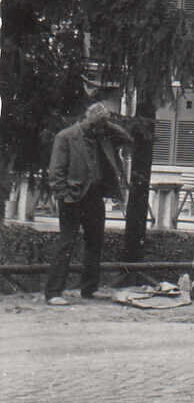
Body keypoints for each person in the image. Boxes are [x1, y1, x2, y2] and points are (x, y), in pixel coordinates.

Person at [45, 102, 133, 306]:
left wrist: (107, 123)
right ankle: (53, 292)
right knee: (66, 244)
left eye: (104, 125)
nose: (101, 128)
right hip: (72, 198)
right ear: (90, 122)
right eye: (99, 124)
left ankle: (89, 289)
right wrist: (64, 195)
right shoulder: (66, 137)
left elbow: (126, 139)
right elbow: (56, 171)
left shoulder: (103, 135)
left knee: (95, 242)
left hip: (94, 197)